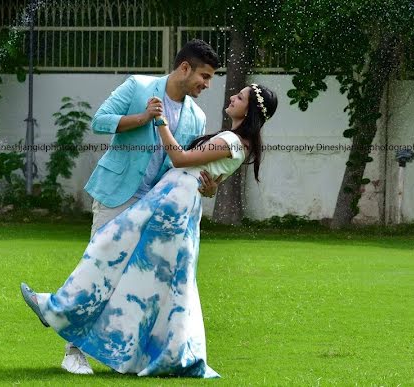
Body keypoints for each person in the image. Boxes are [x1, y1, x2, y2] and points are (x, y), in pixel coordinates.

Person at [20, 83, 278, 378]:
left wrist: (160, 122)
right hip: (174, 201)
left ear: (250, 111)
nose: (233, 97)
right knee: (147, 279)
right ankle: (87, 325)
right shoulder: (236, 142)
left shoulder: (231, 139)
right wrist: (209, 186)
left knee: (112, 254)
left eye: (240, 97)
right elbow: (199, 172)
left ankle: (57, 310)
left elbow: (180, 159)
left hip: (172, 204)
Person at [49, 38, 223, 375]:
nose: (207, 84)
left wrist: (209, 188)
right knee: (96, 272)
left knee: (142, 283)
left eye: (211, 78)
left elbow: (185, 164)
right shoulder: (138, 85)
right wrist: (144, 117)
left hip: (155, 205)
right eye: (204, 75)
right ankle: (73, 352)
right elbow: (100, 122)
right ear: (184, 67)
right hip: (117, 194)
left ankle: (127, 354)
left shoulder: (197, 117)